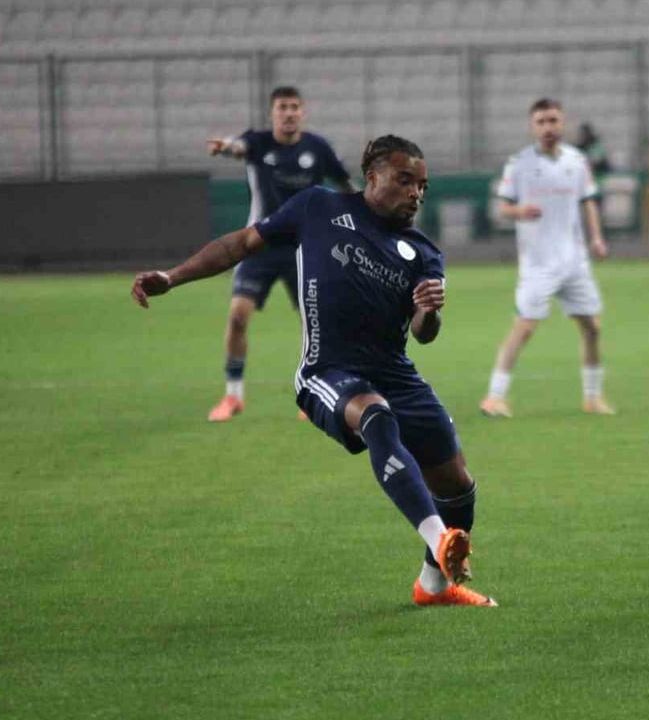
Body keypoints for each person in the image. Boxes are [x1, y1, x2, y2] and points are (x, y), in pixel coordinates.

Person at [131, 136, 497, 608]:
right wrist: (173, 276)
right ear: (373, 177)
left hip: (396, 372)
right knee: (376, 416)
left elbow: (425, 333)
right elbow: (241, 243)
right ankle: (438, 540)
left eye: (422, 186)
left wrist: (428, 311)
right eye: (405, 180)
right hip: (328, 369)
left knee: (457, 484)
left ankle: (432, 587)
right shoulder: (317, 207)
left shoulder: (422, 252)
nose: (416, 193)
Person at [204, 86, 354, 422]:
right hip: (259, 246)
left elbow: (347, 187)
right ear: (272, 112)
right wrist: (225, 147)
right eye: (282, 107)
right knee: (238, 316)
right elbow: (238, 147)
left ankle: (315, 393)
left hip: (306, 248)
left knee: (315, 324)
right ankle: (233, 396)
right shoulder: (258, 143)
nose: (288, 113)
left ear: (303, 112)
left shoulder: (318, 148)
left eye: (294, 107)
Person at [479, 98, 613, 418]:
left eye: (553, 120)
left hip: (574, 261)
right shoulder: (519, 164)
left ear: (562, 123)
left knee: (592, 327)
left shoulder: (577, 161)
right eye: (541, 122)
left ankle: (593, 397)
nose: (548, 127)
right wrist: (519, 211)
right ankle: (494, 397)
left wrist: (596, 238)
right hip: (538, 264)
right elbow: (501, 208)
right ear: (532, 126)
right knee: (524, 327)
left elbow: (588, 201)